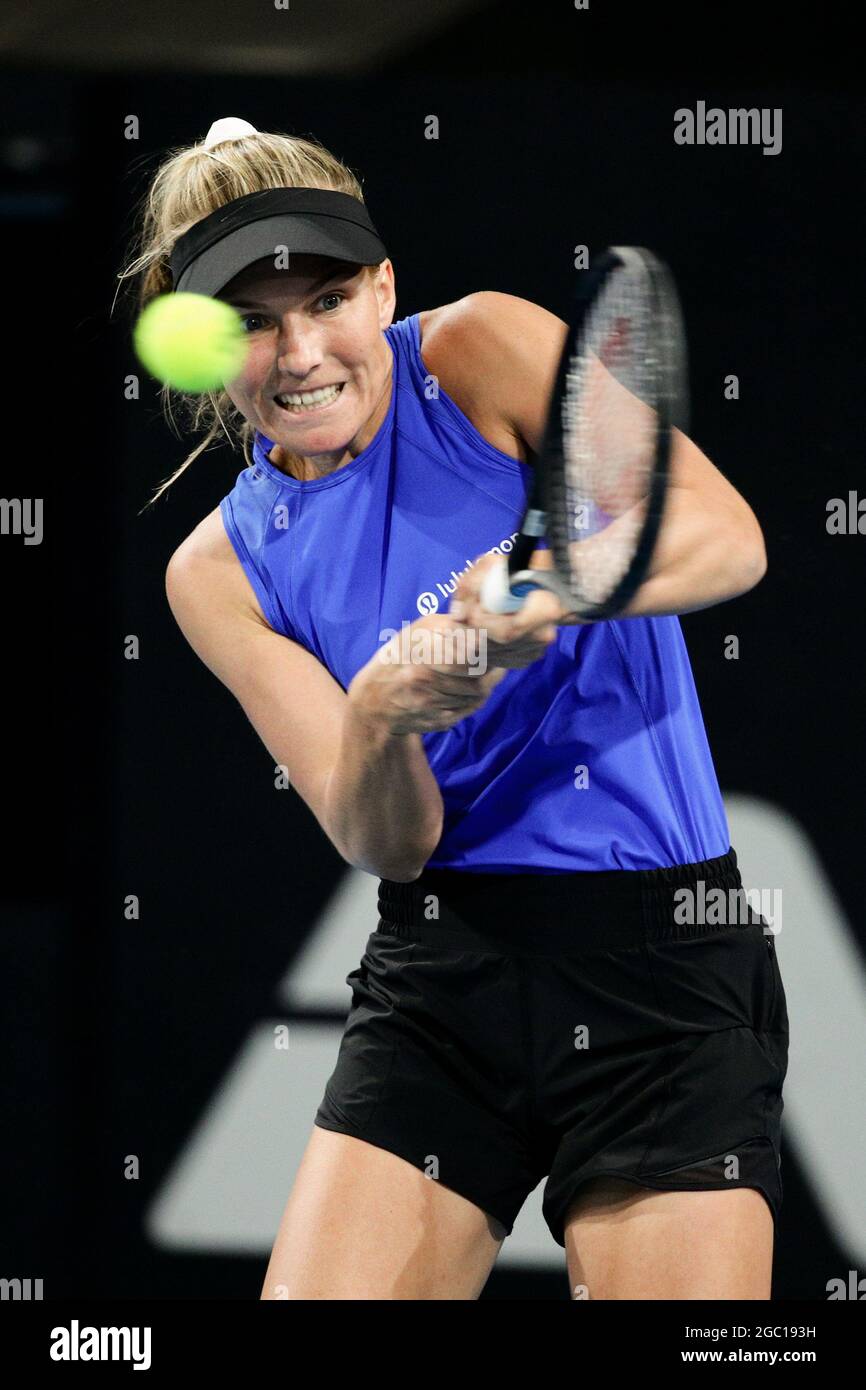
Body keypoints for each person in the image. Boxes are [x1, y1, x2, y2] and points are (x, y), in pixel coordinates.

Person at [119, 118, 789, 1300]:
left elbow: (726, 539)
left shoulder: (477, 350)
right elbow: (391, 840)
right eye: (252, 323)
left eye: (327, 300)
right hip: (442, 977)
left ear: (383, 287)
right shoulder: (213, 574)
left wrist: (542, 591)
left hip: (657, 964)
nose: (299, 351)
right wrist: (381, 717)